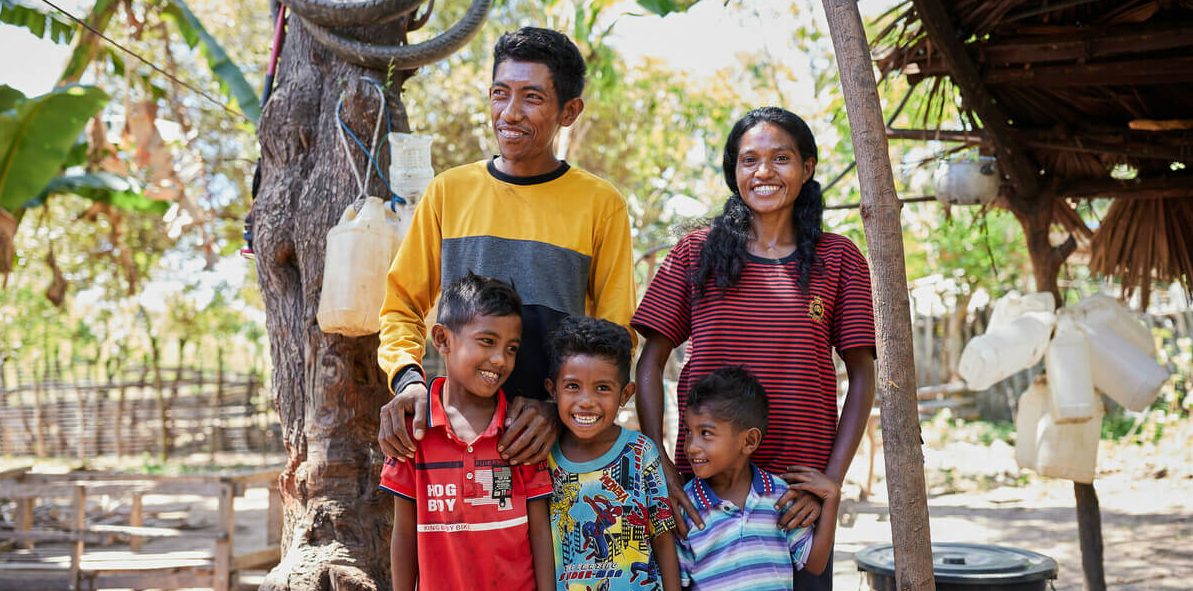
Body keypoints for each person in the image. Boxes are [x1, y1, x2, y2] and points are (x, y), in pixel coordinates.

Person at [632, 107, 875, 590]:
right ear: (733, 171)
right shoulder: (694, 254)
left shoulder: (839, 257)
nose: (763, 171)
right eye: (749, 160)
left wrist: (830, 483)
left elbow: (863, 376)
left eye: (780, 158)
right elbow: (650, 361)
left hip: (795, 502)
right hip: (705, 496)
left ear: (807, 168)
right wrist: (660, 460)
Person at [377, 27, 636, 466]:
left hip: (554, 449)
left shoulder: (601, 203)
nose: (509, 113)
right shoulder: (448, 192)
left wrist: (558, 410)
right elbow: (400, 305)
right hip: (456, 440)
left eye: (532, 98)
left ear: (569, 111)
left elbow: (615, 334)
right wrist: (408, 380)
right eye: (500, 93)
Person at [379, 273, 554, 590]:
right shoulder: (413, 432)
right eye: (487, 341)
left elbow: (541, 531)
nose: (500, 359)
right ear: (442, 339)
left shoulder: (521, 431)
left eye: (512, 348)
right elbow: (404, 533)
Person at [545, 316, 680, 591]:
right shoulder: (543, 458)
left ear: (625, 394)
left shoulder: (641, 452)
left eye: (602, 388)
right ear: (553, 390)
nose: (586, 402)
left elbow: (663, 536)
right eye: (573, 386)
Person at [678, 366, 840, 590]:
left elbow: (814, 564)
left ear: (749, 441)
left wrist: (832, 498)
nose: (691, 447)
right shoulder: (686, 507)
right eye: (688, 432)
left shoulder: (780, 496)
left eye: (705, 433)